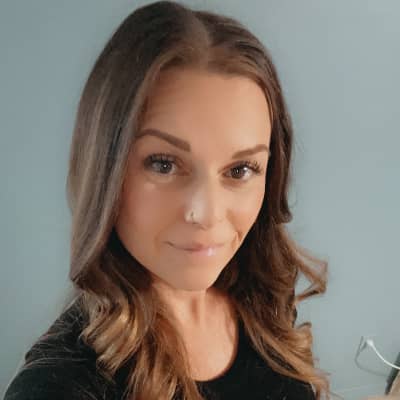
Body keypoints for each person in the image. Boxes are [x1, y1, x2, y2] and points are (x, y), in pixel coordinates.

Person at [4, 1, 331, 399]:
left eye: (240, 169)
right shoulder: (58, 387)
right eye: (163, 164)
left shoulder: (261, 302)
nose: (207, 214)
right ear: (106, 168)